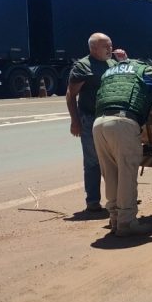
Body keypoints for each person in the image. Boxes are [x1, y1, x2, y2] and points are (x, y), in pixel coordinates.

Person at [93, 59, 152, 236]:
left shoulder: (110, 73)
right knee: (126, 173)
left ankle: (115, 218)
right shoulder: (142, 69)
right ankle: (127, 223)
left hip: (99, 123)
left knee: (110, 173)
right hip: (122, 122)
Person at [65, 33, 126, 213]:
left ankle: (118, 199)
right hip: (90, 119)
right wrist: (75, 121)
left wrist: (124, 60)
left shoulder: (113, 63)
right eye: (105, 46)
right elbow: (70, 95)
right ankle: (92, 202)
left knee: (114, 160)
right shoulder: (83, 67)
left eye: (110, 45)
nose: (110, 49)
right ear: (93, 48)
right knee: (93, 162)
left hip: (111, 119)